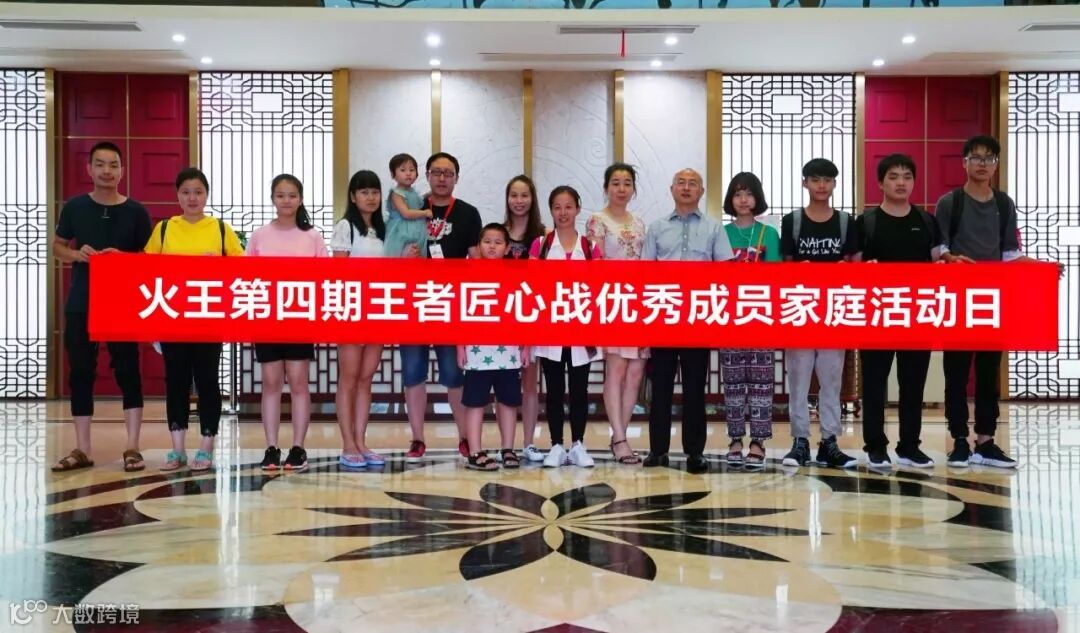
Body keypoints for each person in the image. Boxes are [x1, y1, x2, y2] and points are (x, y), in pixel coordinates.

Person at [935, 134, 1061, 469]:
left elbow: (1009, 254)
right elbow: (938, 248)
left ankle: (986, 441)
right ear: (964, 163)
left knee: (989, 373)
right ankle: (959, 441)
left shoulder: (1004, 204)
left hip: (993, 301)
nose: (982, 164)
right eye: (976, 157)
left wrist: (1043, 268)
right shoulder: (950, 202)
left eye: (989, 158)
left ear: (996, 165)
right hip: (958, 300)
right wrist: (950, 259)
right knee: (956, 373)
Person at [51, 141, 152, 473]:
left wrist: (124, 259)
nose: (106, 171)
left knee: (128, 371)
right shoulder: (75, 207)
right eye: (100, 164)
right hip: (82, 301)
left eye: (113, 165)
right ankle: (83, 448)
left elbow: (150, 259)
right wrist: (76, 254)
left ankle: (132, 447)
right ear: (89, 169)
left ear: (122, 171)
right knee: (80, 373)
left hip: (123, 303)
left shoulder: (136, 211)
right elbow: (57, 247)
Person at [145, 167, 245, 472]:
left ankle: (206, 447)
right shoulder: (164, 229)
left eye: (198, 192)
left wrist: (219, 266)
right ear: (177, 195)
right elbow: (146, 271)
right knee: (175, 381)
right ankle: (177, 449)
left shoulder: (220, 229)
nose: (192, 198)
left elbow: (242, 270)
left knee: (207, 381)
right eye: (186, 192)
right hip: (172, 318)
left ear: (206, 195)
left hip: (208, 319)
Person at [641, 168, 735, 474]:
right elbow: (644, 274)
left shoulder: (714, 227)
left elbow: (725, 273)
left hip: (698, 319)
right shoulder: (656, 228)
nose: (686, 187)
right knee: (661, 388)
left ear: (701, 191)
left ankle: (695, 452)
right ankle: (658, 450)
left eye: (692, 183)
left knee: (695, 388)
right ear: (671, 190)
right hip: (663, 316)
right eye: (680, 183)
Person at [858, 154, 942, 470]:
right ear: (881, 183)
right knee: (874, 384)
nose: (901, 182)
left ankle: (909, 446)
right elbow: (853, 268)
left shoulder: (926, 221)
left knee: (913, 383)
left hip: (917, 315)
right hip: (876, 316)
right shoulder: (866, 222)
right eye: (893, 176)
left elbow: (937, 262)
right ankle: (875, 446)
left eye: (907, 176)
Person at [400, 152, 483, 463]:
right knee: (413, 372)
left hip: (451, 304)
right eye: (436, 172)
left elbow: (476, 259)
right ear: (427, 176)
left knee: (453, 373)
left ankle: (464, 437)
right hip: (413, 303)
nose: (442, 178)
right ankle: (417, 438)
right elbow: (392, 251)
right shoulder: (409, 209)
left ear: (457, 178)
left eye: (448, 173)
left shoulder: (468, 213)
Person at [779, 158, 861, 469]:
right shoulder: (793, 221)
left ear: (835, 184)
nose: (821, 185)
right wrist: (798, 271)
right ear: (805, 183)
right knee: (798, 380)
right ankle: (799, 441)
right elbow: (784, 268)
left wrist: (845, 269)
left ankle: (830, 442)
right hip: (800, 309)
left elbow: (857, 266)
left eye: (827, 180)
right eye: (815, 179)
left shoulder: (845, 222)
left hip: (834, 311)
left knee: (831, 381)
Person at [246, 174, 328, 473]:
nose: (286, 201)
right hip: (267, 319)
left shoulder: (313, 236)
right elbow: (247, 279)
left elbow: (324, 278)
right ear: (272, 199)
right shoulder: (259, 235)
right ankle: (271, 447)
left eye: (292, 195)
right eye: (280, 195)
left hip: (300, 319)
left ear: (301, 199)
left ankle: (298, 447)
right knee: (270, 383)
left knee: (298, 382)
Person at [531, 186, 603, 468]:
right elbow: (532, 285)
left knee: (579, 390)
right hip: (550, 328)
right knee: (554, 389)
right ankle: (556, 445)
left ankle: (578, 444)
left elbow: (599, 286)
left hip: (582, 328)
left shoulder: (590, 247)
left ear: (578, 209)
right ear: (551, 210)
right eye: (557, 207)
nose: (563, 212)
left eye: (568, 206)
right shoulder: (541, 245)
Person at [586, 163, 647, 465]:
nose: (621, 188)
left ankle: (619, 436)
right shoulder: (597, 221)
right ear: (606, 187)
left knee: (635, 373)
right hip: (612, 301)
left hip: (639, 303)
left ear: (633, 189)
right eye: (615, 183)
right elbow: (594, 264)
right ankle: (620, 438)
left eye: (627, 183)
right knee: (617, 370)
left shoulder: (640, 223)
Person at [458, 223, 529, 471]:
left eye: (498, 242)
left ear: (507, 248)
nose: (492, 246)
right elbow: (460, 314)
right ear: (479, 246)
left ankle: (508, 448)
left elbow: (524, 313)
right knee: (475, 402)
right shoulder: (469, 275)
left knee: (508, 401)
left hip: (508, 351)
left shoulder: (515, 276)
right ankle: (475, 452)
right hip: (477, 352)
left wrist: (526, 345)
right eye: (487, 241)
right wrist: (460, 346)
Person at [720, 172, 779, 469]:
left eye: (749, 193)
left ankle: (758, 441)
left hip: (760, 317)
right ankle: (734, 439)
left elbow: (777, 278)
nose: (743, 200)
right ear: (730, 199)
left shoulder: (769, 234)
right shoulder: (721, 234)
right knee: (732, 383)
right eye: (737, 194)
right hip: (729, 318)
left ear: (758, 198)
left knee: (761, 384)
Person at [331, 170, 389, 469]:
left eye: (375, 191)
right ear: (353, 196)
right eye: (364, 192)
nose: (371, 197)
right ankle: (348, 444)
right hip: (352, 309)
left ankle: (361, 441)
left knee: (366, 378)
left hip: (379, 310)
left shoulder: (384, 228)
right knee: (349, 378)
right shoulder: (346, 227)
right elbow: (339, 273)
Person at [503, 175, 546, 463]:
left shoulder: (544, 236)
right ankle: (506, 443)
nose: (519, 201)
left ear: (532, 199)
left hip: (533, 316)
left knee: (530, 383)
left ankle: (529, 442)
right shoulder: (497, 233)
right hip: (504, 317)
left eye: (524, 195)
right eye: (514, 195)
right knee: (505, 382)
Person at [382, 153, 431, 257]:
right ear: (393, 175)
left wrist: (429, 194)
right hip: (401, 230)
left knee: (418, 256)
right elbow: (406, 213)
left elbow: (416, 202)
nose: (408, 173)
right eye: (403, 170)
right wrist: (425, 213)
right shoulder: (396, 193)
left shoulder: (412, 191)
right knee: (402, 258)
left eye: (412, 170)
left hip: (416, 228)